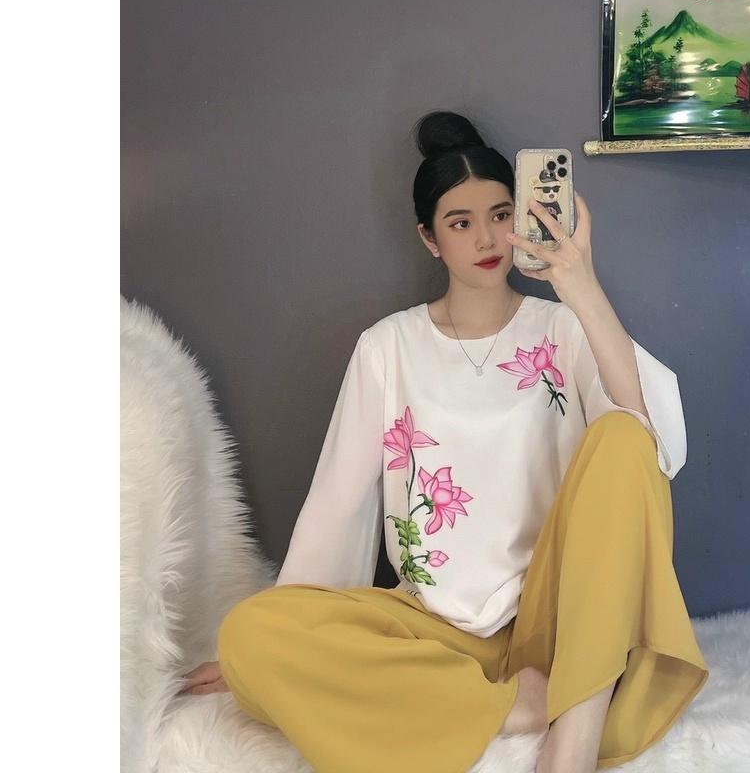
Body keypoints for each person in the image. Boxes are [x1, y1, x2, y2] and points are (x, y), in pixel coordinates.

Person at [178, 111, 709, 773]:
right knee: (249, 635)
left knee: (624, 436)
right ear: (429, 239)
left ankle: (571, 739)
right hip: (432, 631)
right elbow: (337, 503)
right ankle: (515, 706)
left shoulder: (564, 328)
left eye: (500, 214)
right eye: (460, 223)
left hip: (554, 621)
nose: (486, 238)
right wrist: (279, 638)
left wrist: (581, 285)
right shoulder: (388, 347)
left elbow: (648, 438)